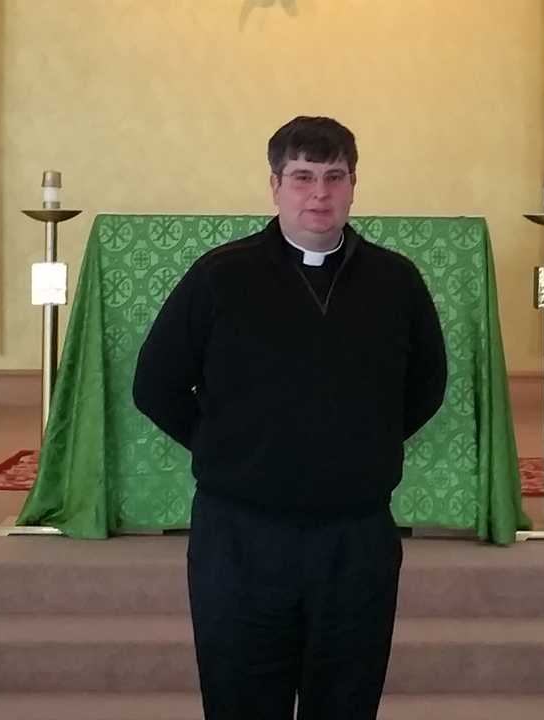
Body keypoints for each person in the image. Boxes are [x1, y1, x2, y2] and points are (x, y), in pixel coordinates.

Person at [133, 115, 447, 720]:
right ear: (275, 185)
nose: (319, 194)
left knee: (347, 701)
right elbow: (156, 384)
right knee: (241, 699)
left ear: (355, 184)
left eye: (334, 177)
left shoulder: (396, 281)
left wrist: (362, 443)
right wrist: (226, 447)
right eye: (302, 176)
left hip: (355, 536)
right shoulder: (221, 275)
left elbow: (426, 386)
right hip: (241, 534)